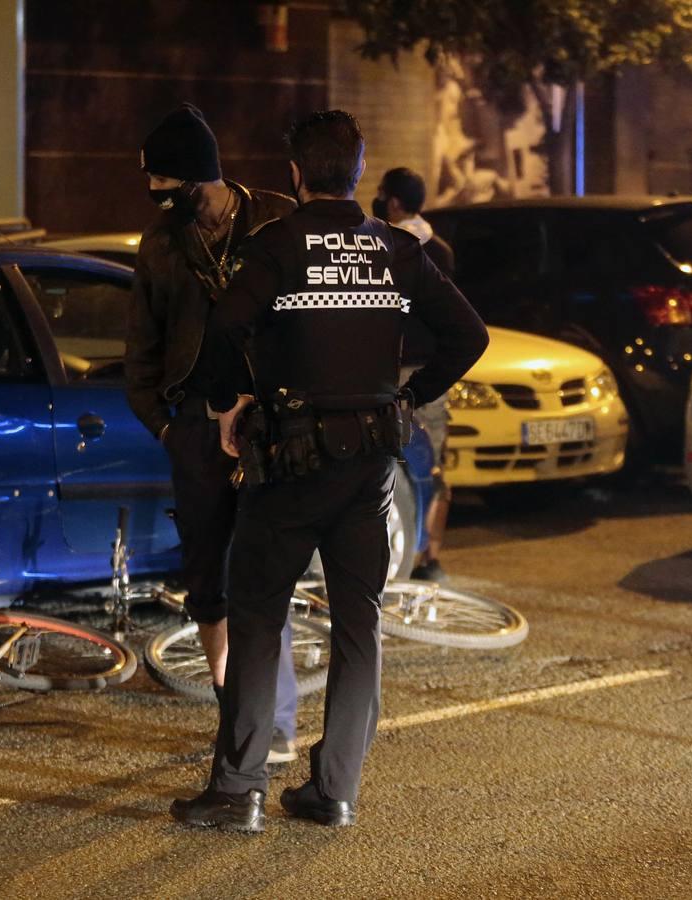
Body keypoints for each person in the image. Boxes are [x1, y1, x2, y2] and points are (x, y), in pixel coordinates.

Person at [170, 110, 488, 831]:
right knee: (357, 626)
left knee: (256, 616)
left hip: (288, 466)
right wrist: (409, 395)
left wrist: (229, 405)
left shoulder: (277, 246)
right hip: (369, 469)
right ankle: (334, 792)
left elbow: (222, 327)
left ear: (295, 172)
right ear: (358, 172)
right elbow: (470, 333)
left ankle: (239, 791)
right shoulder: (396, 252)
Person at [124, 104, 302, 762]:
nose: (160, 204)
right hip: (195, 431)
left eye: (170, 190)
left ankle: (273, 726)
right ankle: (236, 714)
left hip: (266, 425)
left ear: (203, 179)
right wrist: (166, 430)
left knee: (263, 576)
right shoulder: (159, 245)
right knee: (207, 584)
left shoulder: (278, 221)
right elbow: (141, 353)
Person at [373, 167, 457, 581]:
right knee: (432, 463)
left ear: (392, 202)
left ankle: (379, 544)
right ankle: (431, 558)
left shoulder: (382, 246)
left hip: (389, 369)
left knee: (384, 459)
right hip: (430, 376)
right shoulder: (439, 250)